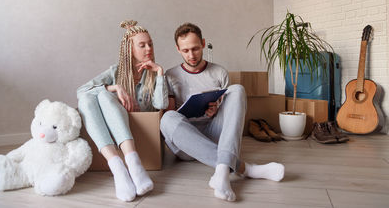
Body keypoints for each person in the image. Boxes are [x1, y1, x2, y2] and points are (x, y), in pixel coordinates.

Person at [161, 23, 285, 202]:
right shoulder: (170, 75)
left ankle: (221, 173)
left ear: (203, 43)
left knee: (237, 90)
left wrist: (216, 110)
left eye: (195, 48)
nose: (191, 55)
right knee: (167, 118)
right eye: (185, 50)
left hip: (215, 134)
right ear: (178, 49)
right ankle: (246, 169)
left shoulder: (219, 72)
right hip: (186, 145)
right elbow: (172, 114)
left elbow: (229, 112)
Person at [77, 20, 168, 202]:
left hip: (143, 128)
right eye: (142, 45)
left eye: (150, 44)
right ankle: (118, 167)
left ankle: (133, 163)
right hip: (117, 127)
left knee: (102, 95)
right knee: (93, 96)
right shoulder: (115, 71)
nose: (148, 48)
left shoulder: (152, 73)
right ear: (130, 50)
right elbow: (81, 91)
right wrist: (115, 88)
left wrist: (159, 73)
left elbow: (161, 104)